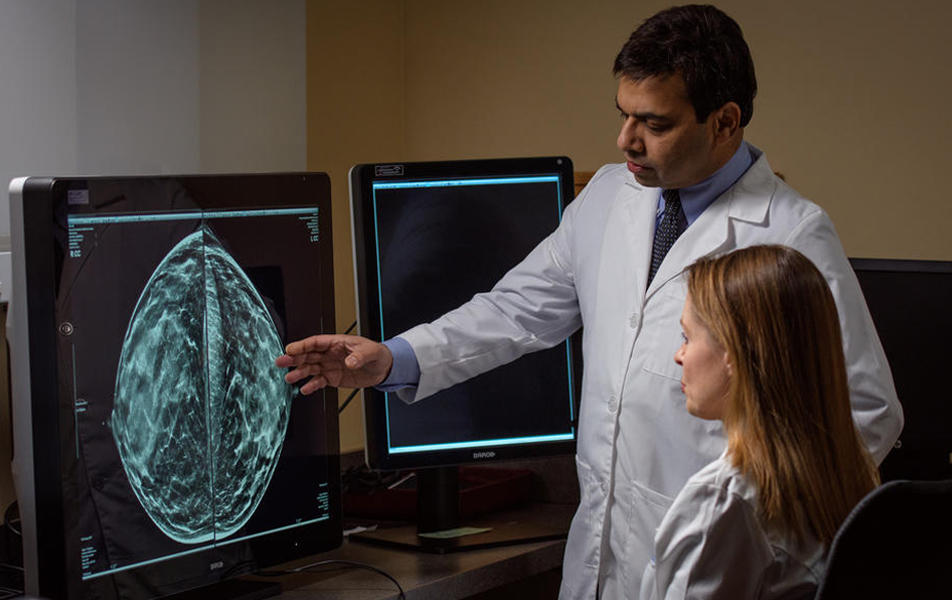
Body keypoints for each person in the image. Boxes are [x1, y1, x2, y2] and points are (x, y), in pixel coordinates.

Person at [276, 5, 903, 598]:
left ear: (726, 122)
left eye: (654, 123)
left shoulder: (790, 232)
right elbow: (515, 310)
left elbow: (866, 412)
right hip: (598, 558)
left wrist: (743, 517)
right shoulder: (610, 194)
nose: (626, 139)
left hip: (718, 568)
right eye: (624, 113)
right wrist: (390, 359)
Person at [640, 245, 879, 599]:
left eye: (687, 337)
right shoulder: (852, 474)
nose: (679, 355)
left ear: (734, 353)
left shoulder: (726, 500)